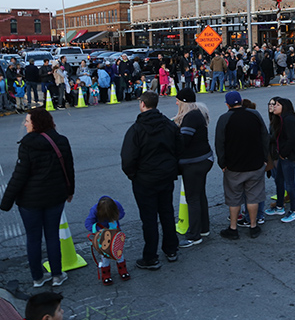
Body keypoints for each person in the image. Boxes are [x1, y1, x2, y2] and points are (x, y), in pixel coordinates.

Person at [0, 108, 74, 288]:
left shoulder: (27, 145)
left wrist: (6, 202)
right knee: (52, 236)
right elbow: (69, 169)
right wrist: (70, 191)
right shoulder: (61, 141)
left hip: (29, 201)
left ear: (36, 123)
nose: (25, 124)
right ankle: (57, 275)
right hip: (55, 198)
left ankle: (38, 278)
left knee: (33, 238)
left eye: (27, 121)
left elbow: (19, 176)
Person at [121, 91, 182, 270]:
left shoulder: (136, 129)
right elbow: (179, 148)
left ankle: (150, 256)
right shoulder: (169, 125)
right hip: (165, 176)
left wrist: (134, 175)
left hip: (145, 179)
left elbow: (128, 158)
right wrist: (172, 168)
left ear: (142, 104)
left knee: (149, 218)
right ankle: (171, 249)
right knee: (167, 212)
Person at [215, 91, 270, 239]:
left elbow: (219, 143)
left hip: (234, 166)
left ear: (227, 104)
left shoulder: (224, 118)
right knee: (253, 197)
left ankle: (233, 228)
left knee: (234, 198)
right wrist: (265, 158)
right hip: (255, 163)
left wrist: (222, 163)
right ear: (241, 100)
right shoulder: (254, 114)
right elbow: (265, 136)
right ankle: (253, 226)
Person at [173, 87, 214, 247]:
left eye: (178, 99)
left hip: (194, 162)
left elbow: (183, 141)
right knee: (199, 194)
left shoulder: (190, 117)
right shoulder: (198, 114)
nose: (176, 102)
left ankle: (194, 235)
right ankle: (204, 228)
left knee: (193, 198)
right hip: (203, 159)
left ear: (184, 101)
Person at [265, 98, 295, 223]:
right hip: (282, 155)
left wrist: (283, 153)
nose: (274, 107)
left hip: (288, 157)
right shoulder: (281, 119)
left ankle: (294, 211)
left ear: (285, 106)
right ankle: (279, 206)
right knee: (279, 180)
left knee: (289, 183)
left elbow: (292, 139)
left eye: (277, 105)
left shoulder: (289, 120)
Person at [84, 196, 129, 285]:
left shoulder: (116, 205)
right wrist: (97, 230)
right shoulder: (94, 210)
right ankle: (106, 275)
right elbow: (88, 223)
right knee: (105, 255)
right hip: (103, 237)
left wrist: (115, 217)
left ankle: (123, 270)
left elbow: (122, 213)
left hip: (115, 234)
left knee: (118, 252)